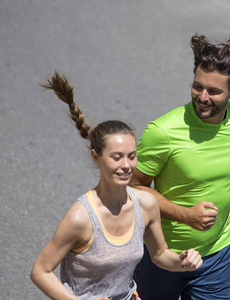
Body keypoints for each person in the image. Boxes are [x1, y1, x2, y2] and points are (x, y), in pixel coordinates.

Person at [30, 72, 203, 300]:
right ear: (96, 157)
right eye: (117, 157)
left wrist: (184, 261)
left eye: (132, 156)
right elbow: (40, 271)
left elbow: (160, 254)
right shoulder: (80, 218)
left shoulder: (146, 204)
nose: (126, 165)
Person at [130, 33, 230, 300]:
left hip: (218, 255)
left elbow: (224, 172)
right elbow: (134, 188)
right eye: (197, 87)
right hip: (163, 256)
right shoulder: (163, 131)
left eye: (214, 91)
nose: (202, 97)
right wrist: (185, 215)